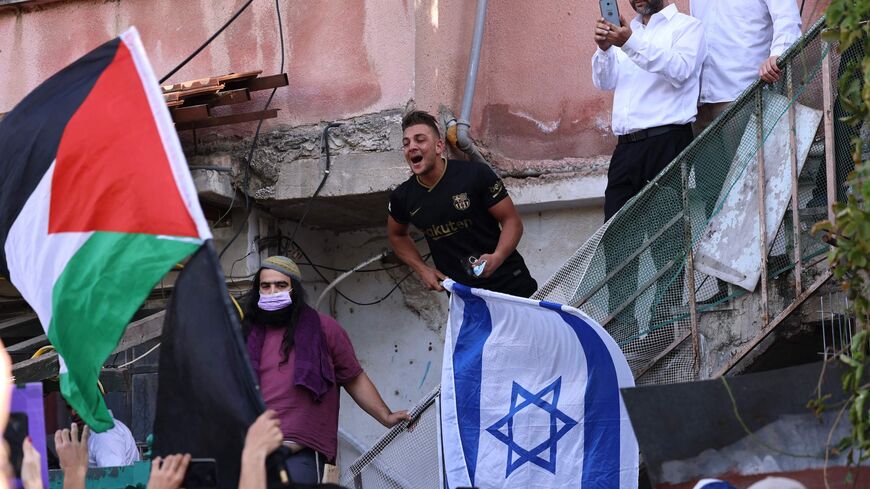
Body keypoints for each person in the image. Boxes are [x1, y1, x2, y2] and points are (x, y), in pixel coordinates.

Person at [244, 256, 411, 484]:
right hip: (254, 449)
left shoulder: (325, 328)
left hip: (302, 452)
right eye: (266, 286)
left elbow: (354, 378)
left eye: (281, 285)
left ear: (294, 290)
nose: (273, 292)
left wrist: (386, 416)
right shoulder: (245, 335)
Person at [591, 0, 705, 325]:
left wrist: (628, 41)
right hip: (626, 149)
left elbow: (680, 70)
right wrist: (604, 49)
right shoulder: (630, 32)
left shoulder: (688, 28)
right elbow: (604, 82)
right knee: (616, 241)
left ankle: (663, 326)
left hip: (667, 141)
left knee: (666, 241)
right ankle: (621, 328)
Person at [387, 110, 538, 297]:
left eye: (420, 140)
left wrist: (497, 256)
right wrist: (422, 269)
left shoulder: (475, 174)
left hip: (510, 284)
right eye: (406, 143)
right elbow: (397, 235)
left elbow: (512, 221)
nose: (412, 147)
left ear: (439, 146)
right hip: (463, 298)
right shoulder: (403, 197)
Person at [691, 0, 802, 134]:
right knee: (701, 148)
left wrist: (778, 54)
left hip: (743, 93)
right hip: (698, 99)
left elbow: (787, 19)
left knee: (746, 148)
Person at [68, 402, 139, 468]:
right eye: (70, 407)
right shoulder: (99, 431)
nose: (73, 413)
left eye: (78, 404)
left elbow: (113, 475)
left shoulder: (104, 435)